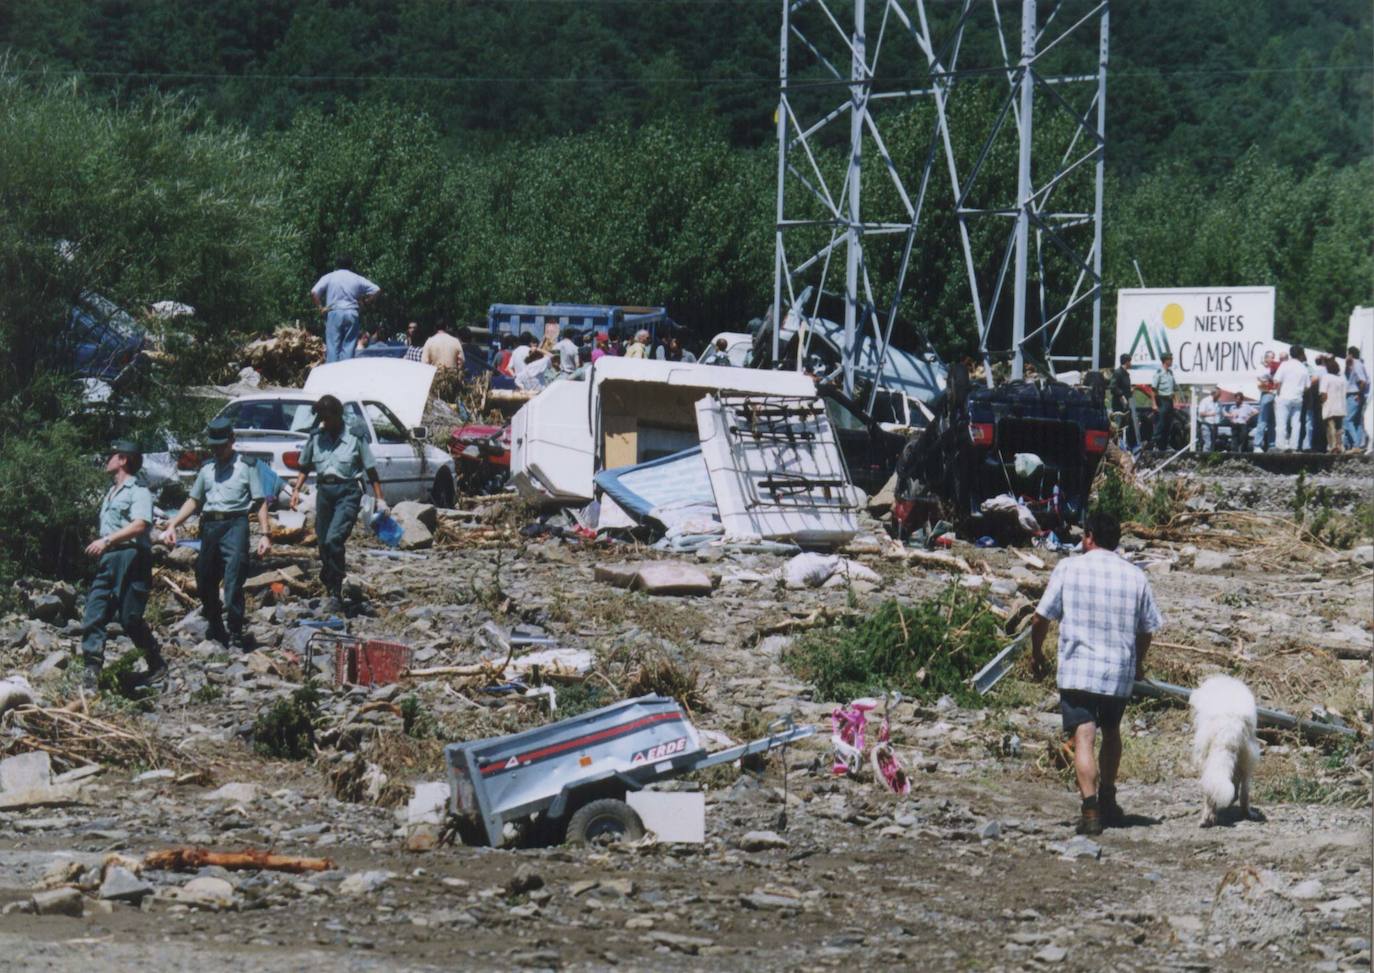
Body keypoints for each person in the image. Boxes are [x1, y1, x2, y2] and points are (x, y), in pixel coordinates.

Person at [1030, 510, 1163, 835]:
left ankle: (1090, 809)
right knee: (1112, 732)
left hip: (1078, 670)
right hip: (1117, 671)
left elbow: (1040, 618)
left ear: (1088, 536)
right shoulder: (1135, 576)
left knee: (1084, 737)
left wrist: (1036, 655)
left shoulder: (1068, 568)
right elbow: (1148, 629)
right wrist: (1138, 662)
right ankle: (1109, 798)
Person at [160, 418, 271, 650]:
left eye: (222, 445)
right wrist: (173, 524)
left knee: (233, 580)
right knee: (204, 578)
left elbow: (260, 501)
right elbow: (194, 500)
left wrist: (265, 534)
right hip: (210, 527)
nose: (218, 450)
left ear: (232, 441)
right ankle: (215, 623)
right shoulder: (207, 469)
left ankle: (235, 631)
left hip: (235, 525)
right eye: (214, 446)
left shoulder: (247, 467)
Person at [288, 395, 386, 612]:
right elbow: (305, 466)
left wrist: (380, 500)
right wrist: (296, 491)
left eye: (327, 417)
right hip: (324, 492)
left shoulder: (354, 437)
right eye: (321, 418)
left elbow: (371, 469)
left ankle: (336, 589)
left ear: (337, 416)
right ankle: (330, 579)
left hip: (348, 491)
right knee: (323, 542)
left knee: (334, 539)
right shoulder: (316, 437)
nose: (324, 422)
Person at [80, 440, 165, 691]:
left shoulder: (137, 490)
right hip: (110, 558)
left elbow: (141, 524)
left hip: (132, 557)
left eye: (112, 455)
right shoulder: (111, 492)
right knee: (94, 612)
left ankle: (156, 663)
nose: (108, 460)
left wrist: (106, 540)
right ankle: (91, 672)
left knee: (130, 618)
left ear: (123, 459)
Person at [310, 256, 381, 363]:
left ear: (337, 264)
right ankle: (345, 372)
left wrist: (321, 308)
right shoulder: (356, 278)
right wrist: (366, 302)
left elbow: (314, 292)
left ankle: (332, 372)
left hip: (334, 312)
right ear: (350, 265)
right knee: (349, 346)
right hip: (352, 312)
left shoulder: (330, 277)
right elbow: (377, 289)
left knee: (333, 346)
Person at [1273, 345, 1309, 452]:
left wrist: (1278, 393)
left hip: (1284, 396)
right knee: (1296, 423)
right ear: (1301, 354)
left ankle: (1281, 445)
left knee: (1281, 422)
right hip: (1297, 397)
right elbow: (1308, 386)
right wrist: (1300, 391)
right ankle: (1294, 445)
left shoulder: (1285, 365)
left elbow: (1277, 381)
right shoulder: (1303, 368)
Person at [1148, 352, 1177, 450]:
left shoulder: (1170, 373)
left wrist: (1175, 401)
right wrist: (1154, 404)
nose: (1172, 361)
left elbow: (1173, 389)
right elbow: (1153, 390)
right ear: (1166, 360)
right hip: (1162, 401)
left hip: (1169, 401)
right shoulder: (1159, 373)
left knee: (1168, 424)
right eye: (1170, 359)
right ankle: (1154, 445)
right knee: (1160, 424)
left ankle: (1164, 446)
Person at [1318, 356, 1347, 453]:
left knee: (1330, 428)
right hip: (1340, 406)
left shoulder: (1326, 377)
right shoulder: (1342, 379)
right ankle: (1340, 447)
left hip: (1330, 405)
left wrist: (1321, 403)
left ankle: (1332, 447)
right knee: (1339, 429)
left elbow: (1323, 393)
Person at [1345, 346, 1370, 451]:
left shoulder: (1356, 365)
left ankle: (1356, 443)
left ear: (1350, 354)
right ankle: (1357, 444)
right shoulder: (1356, 364)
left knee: (1347, 420)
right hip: (1358, 394)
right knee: (1357, 421)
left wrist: (1359, 394)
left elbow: (1362, 381)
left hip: (1354, 394)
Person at [1253, 351, 1278, 452]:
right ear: (1266, 358)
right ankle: (1257, 445)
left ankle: (1271, 444)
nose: (1272, 359)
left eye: (1273, 357)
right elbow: (1260, 381)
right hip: (1266, 394)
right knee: (1263, 420)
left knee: (1273, 422)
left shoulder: (1274, 368)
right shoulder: (1261, 368)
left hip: (1274, 394)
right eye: (1271, 357)